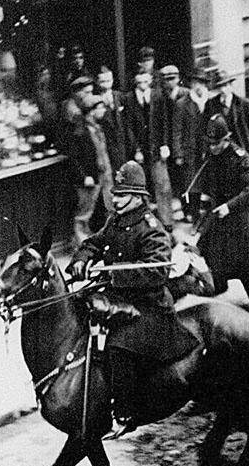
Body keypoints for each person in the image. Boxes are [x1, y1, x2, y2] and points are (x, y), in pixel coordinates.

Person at [66, 161, 198, 439]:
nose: (114, 199)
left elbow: (157, 272)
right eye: (115, 193)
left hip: (150, 307)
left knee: (119, 346)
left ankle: (124, 414)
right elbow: (94, 242)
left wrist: (115, 279)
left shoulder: (151, 229)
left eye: (121, 194)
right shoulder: (115, 220)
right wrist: (82, 259)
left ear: (138, 197)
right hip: (122, 300)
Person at [193, 114, 249, 318]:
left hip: (238, 218)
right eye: (209, 144)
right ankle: (218, 287)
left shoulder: (240, 157)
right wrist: (203, 202)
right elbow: (207, 182)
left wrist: (229, 206)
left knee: (245, 265)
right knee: (212, 254)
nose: (212, 148)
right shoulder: (210, 156)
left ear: (226, 140)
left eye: (216, 144)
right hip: (217, 217)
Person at [124, 70, 174, 228]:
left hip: (156, 148)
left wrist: (165, 144)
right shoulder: (129, 99)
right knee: (141, 187)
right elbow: (129, 127)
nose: (143, 86)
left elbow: (165, 121)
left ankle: (167, 221)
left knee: (163, 185)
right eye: (139, 83)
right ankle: (146, 222)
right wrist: (136, 149)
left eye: (146, 82)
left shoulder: (157, 96)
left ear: (150, 81)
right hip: (140, 151)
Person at [68, 93, 112, 243]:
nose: (103, 111)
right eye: (100, 108)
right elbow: (73, 159)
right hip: (90, 177)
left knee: (108, 206)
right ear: (91, 111)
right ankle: (80, 243)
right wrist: (83, 176)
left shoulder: (100, 128)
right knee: (85, 212)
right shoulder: (79, 132)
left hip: (104, 175)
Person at [173, 67, 212, 220]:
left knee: (209, 180)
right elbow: (177, 130)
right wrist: (178, 153)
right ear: (191, 84)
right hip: (190, 149)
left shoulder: (210, 101)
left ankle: (209, 212)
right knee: (191, 182)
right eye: (196, 82)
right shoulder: (182, 104)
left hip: (208, 148)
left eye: (202, 83)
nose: (199, 86)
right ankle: (192, 213)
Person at [206, 67, 249, 163]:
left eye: (225, 86)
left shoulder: (243, 103)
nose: (223, 90)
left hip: (241, 147)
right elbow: (206, 128)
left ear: (231, 86)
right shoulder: (211, 104)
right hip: (220, 151)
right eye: (220, 86)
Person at [155, 65, 190, 206]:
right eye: (166, 80)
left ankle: (186, 206)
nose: (170, 82)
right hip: (165, 141)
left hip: (182, 140)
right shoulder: (159, 96)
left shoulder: (186, 94)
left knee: (185, 177)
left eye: (173, 79)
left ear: (178, 79)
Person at [95, 66, 127, 171]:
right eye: (103, 81)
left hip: (122, 143)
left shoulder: (120, 96)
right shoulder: (95, 100)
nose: (106, 84)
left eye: (109, 80)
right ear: (97, 82)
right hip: (106, 143)